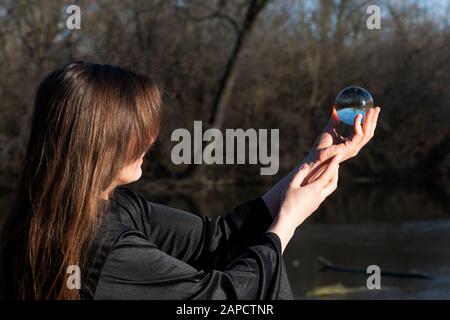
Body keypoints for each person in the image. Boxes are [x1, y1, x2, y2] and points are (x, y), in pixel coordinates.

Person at [0, 61, 380, 300]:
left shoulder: (113, 205)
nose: (152, 139)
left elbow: (219, 238)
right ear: (99, 142)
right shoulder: (103, 251)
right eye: (140, 130)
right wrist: (286, 226)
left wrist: (315, 161)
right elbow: (222, 298)